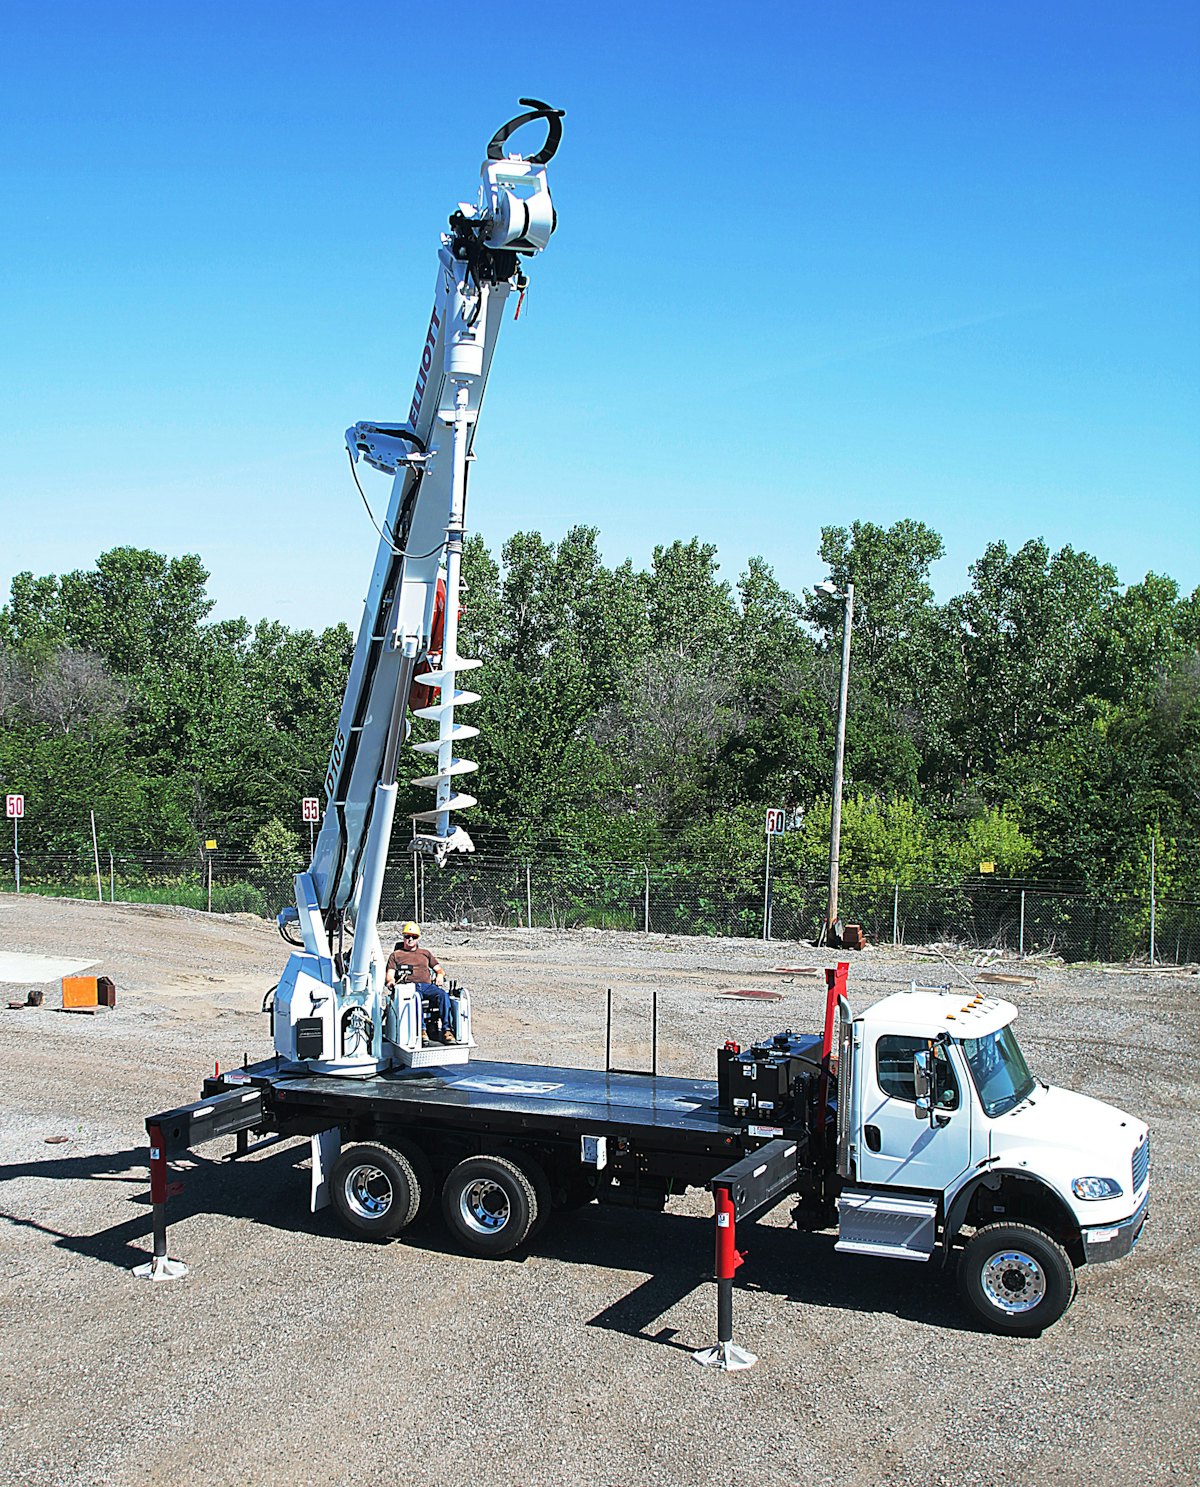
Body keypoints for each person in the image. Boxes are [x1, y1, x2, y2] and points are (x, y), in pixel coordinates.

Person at [384, 922, 457, 1045]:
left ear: (418, 938)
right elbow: (390, 975)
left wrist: (439, 975)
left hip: (427, 986)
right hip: (408, 987)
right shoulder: (396, 955)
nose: (410, 939)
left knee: (443, 995)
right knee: (416, 998)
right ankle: (422, 1030)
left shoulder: (425, 953)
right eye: (407, 936)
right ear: (403, 937)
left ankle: (447, 1030)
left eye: (413, 937)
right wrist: (391, 982)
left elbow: (439, 970)